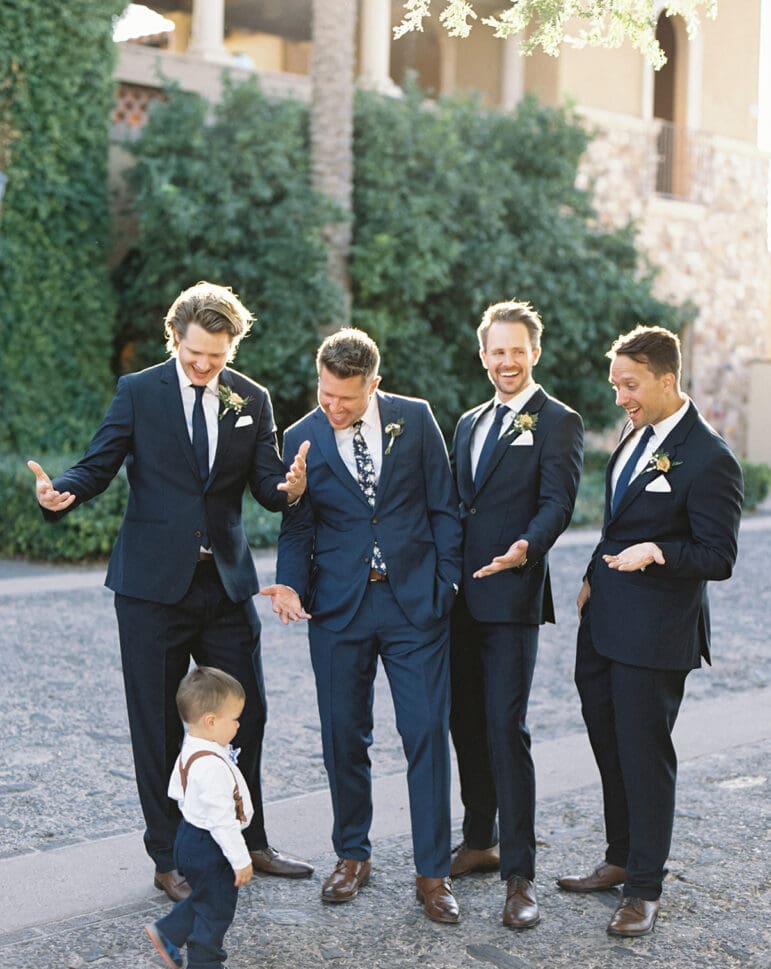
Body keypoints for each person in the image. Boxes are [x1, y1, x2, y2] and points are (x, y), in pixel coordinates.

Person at [29, 281, 313, 901]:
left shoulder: (253, 399)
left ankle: (251, 838)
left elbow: (266, 487)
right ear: (175, 338)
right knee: (157, 723)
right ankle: (169, 857)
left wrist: (289, 487)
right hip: (151, 590)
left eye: (217, 354)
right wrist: (63, 493)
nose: (205, 366)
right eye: (194, 354)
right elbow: (98, 462)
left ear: (233, 346)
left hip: (226, 585)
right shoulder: (139, 392)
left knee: (248, 715)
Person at [261, 328, 464, 923]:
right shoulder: (300, 436)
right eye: (325, 394)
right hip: (338, 610)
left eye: (345, 398)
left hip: (414, 606)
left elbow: (442, 505)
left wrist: (446, 583)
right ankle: (353, 855)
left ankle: (433, 873)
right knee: (343, 737)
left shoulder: (417, 419)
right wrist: (292, 584)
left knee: (426, 732)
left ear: (373, 383)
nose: (334, 408)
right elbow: (297, 527)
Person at [557, 325, 743, 937]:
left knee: (645, 756)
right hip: (605, 621)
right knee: (609, 746)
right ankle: (619, 858)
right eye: (615, 386)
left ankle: (644, 888)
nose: (620, 399)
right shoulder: (634, 439)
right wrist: (591, 576)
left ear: (668, 379)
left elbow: (718, 557)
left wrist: (658, 553)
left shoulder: (711, 457)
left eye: (630, 385)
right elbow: (616, 526)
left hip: (657, 634)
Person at [448, 299, 584, 928]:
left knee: (507, 728)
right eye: (496, 351)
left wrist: (528, 547)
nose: (506, 360)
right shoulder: (467, 421)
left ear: (535, 352)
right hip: (460, 601)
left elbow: (559, 502)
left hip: (513, 597)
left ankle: (519, 874)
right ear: (483, 356)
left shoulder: (558, 421)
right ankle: (480, 840)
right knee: (465, 722)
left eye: (516, 349)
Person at [144, 666, 253, 969]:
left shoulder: (191, 748)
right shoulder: (210, 765)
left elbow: (176, 790)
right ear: (211, 721)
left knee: (204, 896)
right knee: (217, 907)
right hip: (211, 844)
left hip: (189, 837)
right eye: (234, 718)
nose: (237, 724)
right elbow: (222, 821)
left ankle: (169, 932)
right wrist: (240, 859)